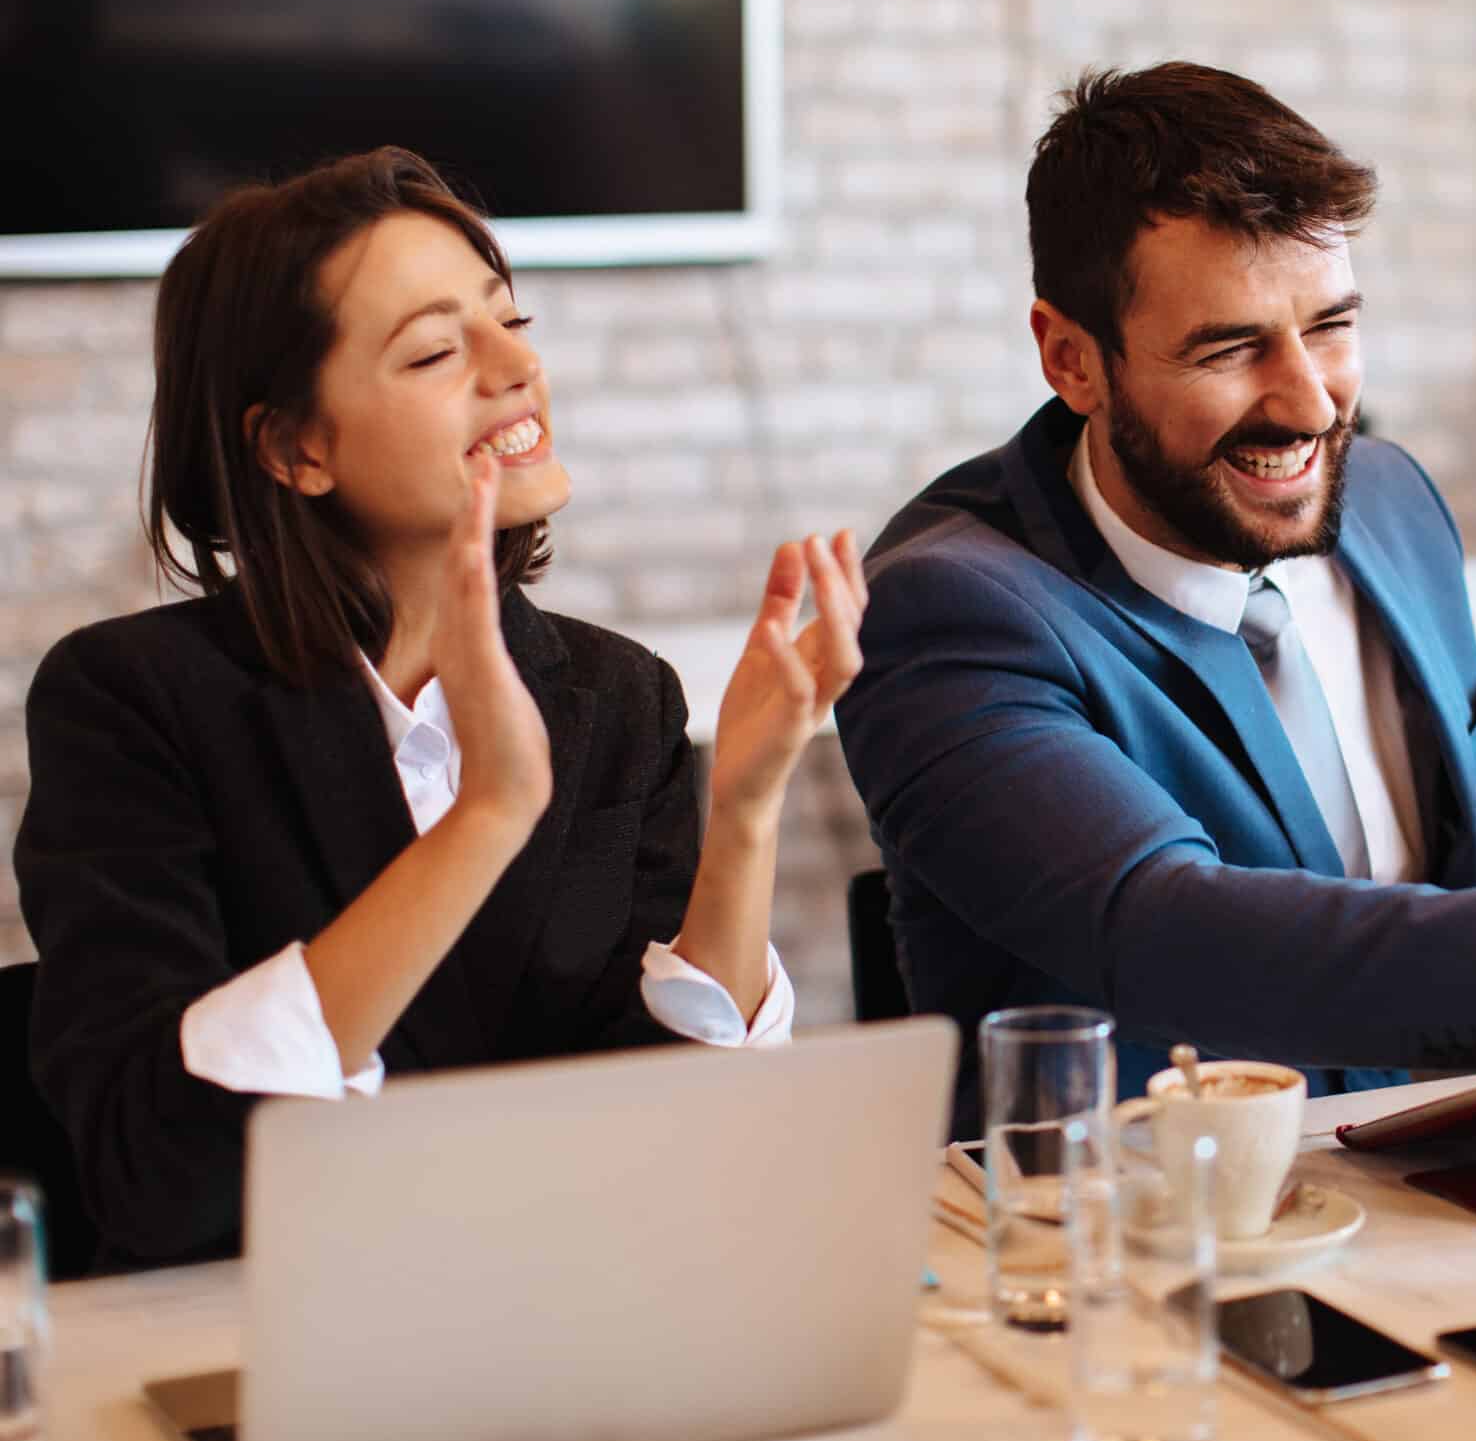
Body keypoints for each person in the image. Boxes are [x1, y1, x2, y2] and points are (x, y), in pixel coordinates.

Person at [836, 63, 1476, 1131]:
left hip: (1439, 1190)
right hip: (1140, 1249)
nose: (1308, 402)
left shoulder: (1386, 501)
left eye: (1330, 326)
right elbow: (1161, 931)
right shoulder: (950, 612)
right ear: (1072, 360)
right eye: (1230, 347)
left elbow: (1437, 873)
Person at [15, 149, 867, 1268]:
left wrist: (748, 811)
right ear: (293, 446)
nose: (516, 366)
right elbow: (160, 1174)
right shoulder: (133, 703)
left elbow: (682, 1132)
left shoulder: (619, 698)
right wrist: (487, 817)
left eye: (512, 321)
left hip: (569, 1326)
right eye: (433, 350)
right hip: (262, 1344)